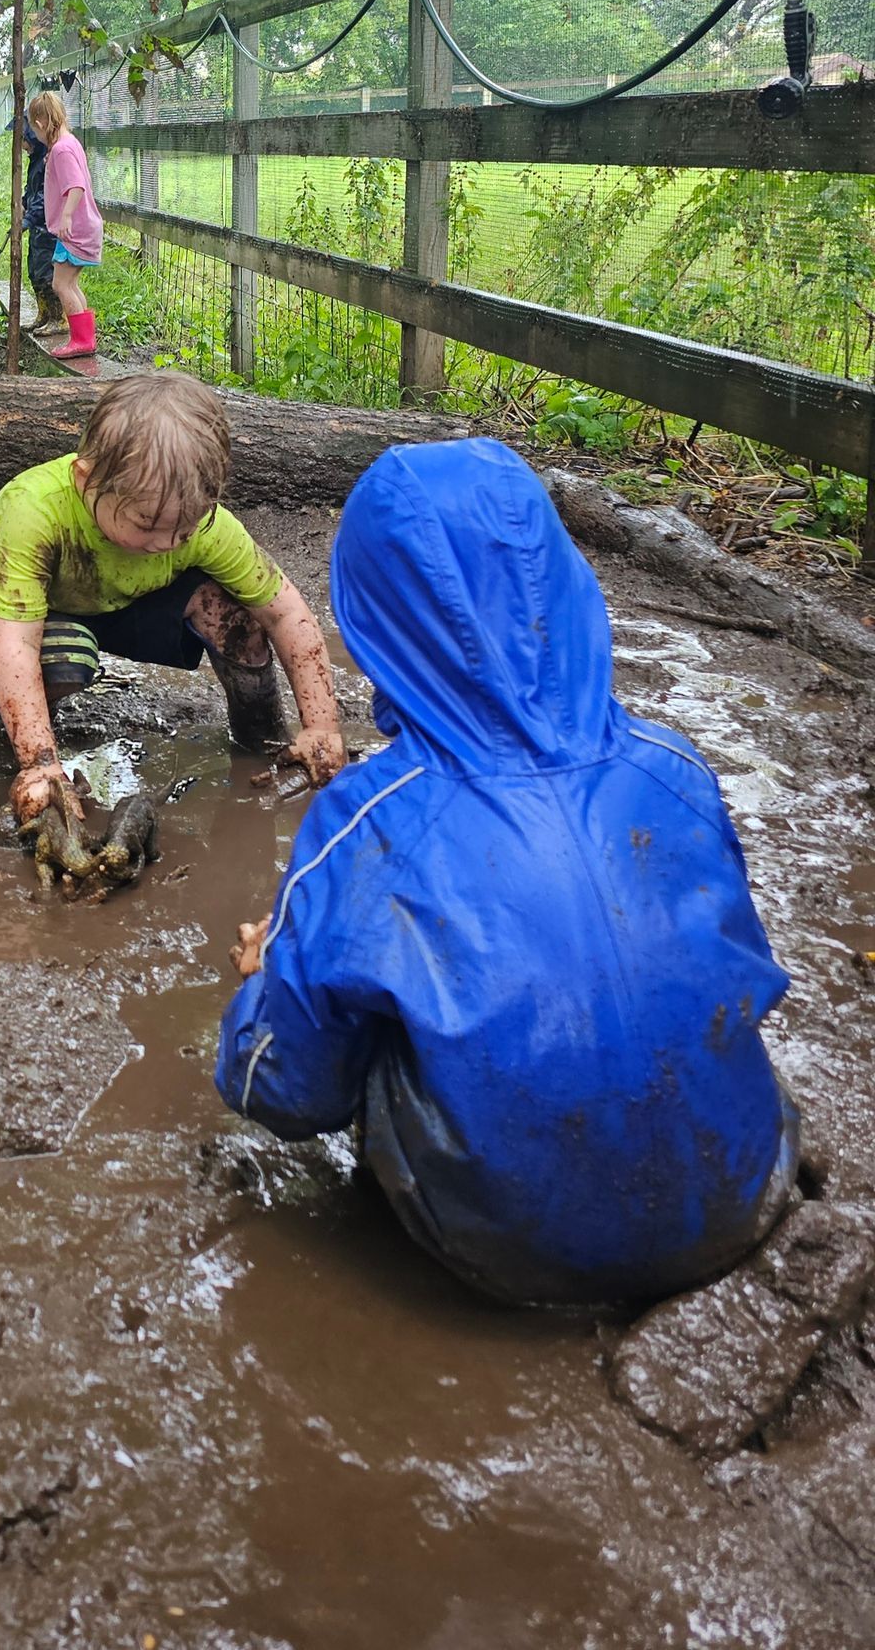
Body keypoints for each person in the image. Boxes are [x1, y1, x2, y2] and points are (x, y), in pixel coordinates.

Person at [217, 439, 800, 1307]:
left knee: (340, 1003)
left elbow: (282, 1090)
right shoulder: (674, 770)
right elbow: (739, 974)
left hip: (509, 1248)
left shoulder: (370, 816)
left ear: (373, 620)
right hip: (748, 1190)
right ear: (563, 585)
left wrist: (264, 988)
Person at [0, 371, 344, 826]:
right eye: (148, 525)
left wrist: (321, 728)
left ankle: (262, 739)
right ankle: (2, 739)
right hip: (9, 606)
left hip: (119, 596)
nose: (168, 542)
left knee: (237, 619)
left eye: (185, 527)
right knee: (62, 655)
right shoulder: (35, 512)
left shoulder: (201, 526)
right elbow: (16, 643)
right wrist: (40, 765)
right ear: (86, 479)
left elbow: (285, 613)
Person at [29, 89, 103, 360]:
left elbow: (76, 187)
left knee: (60, 285)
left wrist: (67, 217)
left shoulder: (61, 150)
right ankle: (85, 338)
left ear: (40, 123)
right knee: (70, 283)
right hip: (85, 228)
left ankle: (81, 341)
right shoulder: (69, 142)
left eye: (33, 129)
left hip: (76, 230)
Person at [15, 113, 61, 331]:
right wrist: (24, 202)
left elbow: (44, 196)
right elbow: (32, 190)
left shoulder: (47, 159)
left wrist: (29, 218)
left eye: (23, 140)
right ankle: (43, 314)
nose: (22, 146)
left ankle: (57, 318)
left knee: (47, 273)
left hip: (47, 227)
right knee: (34, 271)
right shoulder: (35, 160)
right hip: (37, 226)